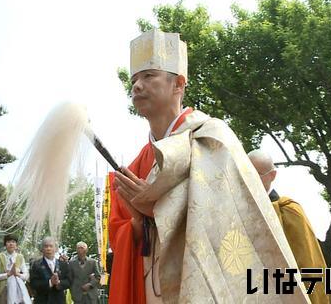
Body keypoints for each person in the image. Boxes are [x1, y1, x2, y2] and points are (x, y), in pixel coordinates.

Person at [109, 29, 308, 303]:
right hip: (151, 288)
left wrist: (157, 207)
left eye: (148, 76)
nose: (137, 86)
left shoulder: (212, 138)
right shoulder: (136, 166)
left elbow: (231, 218)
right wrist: (138, 221)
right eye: (134, 79)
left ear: (178, 84)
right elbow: (121, 234)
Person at [248, 149, 330, 304]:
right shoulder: (236, 210)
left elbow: (308, 263)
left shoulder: (288, 211)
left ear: (272, 176)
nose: (248, 179)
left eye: (255, 174)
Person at [29, 237, 70, 304]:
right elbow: (33, 283)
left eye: (51, 246)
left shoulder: (63, 264)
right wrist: (50, 282)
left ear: (56, 249)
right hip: (42, 300)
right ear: (42, 249)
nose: (48, 249)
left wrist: (58, 283)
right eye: (46, 246)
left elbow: (68, 281)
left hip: (59, 300)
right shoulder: (35, 265)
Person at [0, 234, 30, 304]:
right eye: (8, 242)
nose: (11, 244)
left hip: (18, 289)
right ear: (5, 244)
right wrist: (8, 274)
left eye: (13, 242)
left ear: (16, 244)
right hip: (4, 289)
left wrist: (17, 274)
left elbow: (26, 275)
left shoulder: (20, 257)